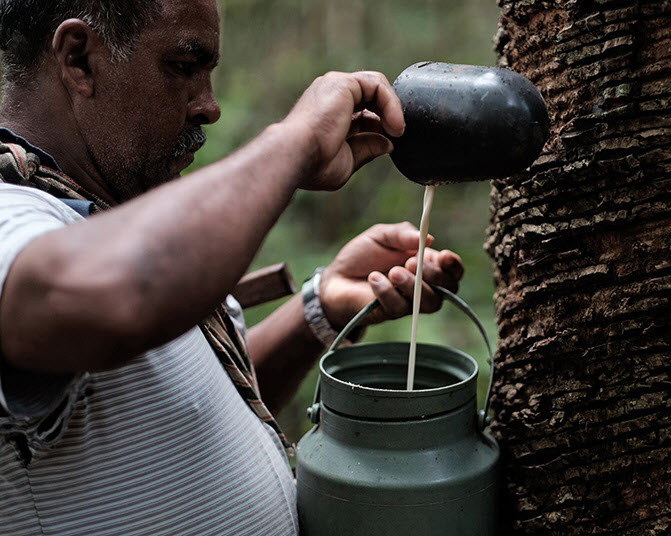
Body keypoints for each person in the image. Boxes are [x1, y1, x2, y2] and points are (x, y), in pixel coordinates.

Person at [0, 1, 464, 534]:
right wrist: (296, 141)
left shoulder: (114, 219)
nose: (209, 106)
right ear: (78, 60)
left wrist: (319, 310)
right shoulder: (14, 214)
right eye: (183, 66)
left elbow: (195, 409)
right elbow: (114, 301)